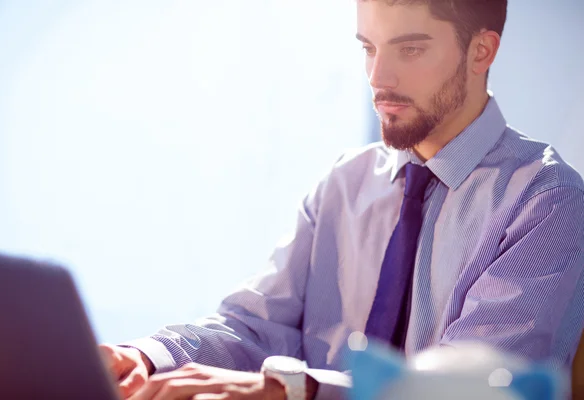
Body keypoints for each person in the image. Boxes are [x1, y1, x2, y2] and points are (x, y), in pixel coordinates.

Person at [101, 1, 584, 399]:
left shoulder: (547, 201)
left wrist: (290, 391)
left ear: (481, 51)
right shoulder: (344, 182)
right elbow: (252, 327)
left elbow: (465, 391)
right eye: (368, 49)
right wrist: (146, 356)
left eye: (409, 50)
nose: (379, 77)